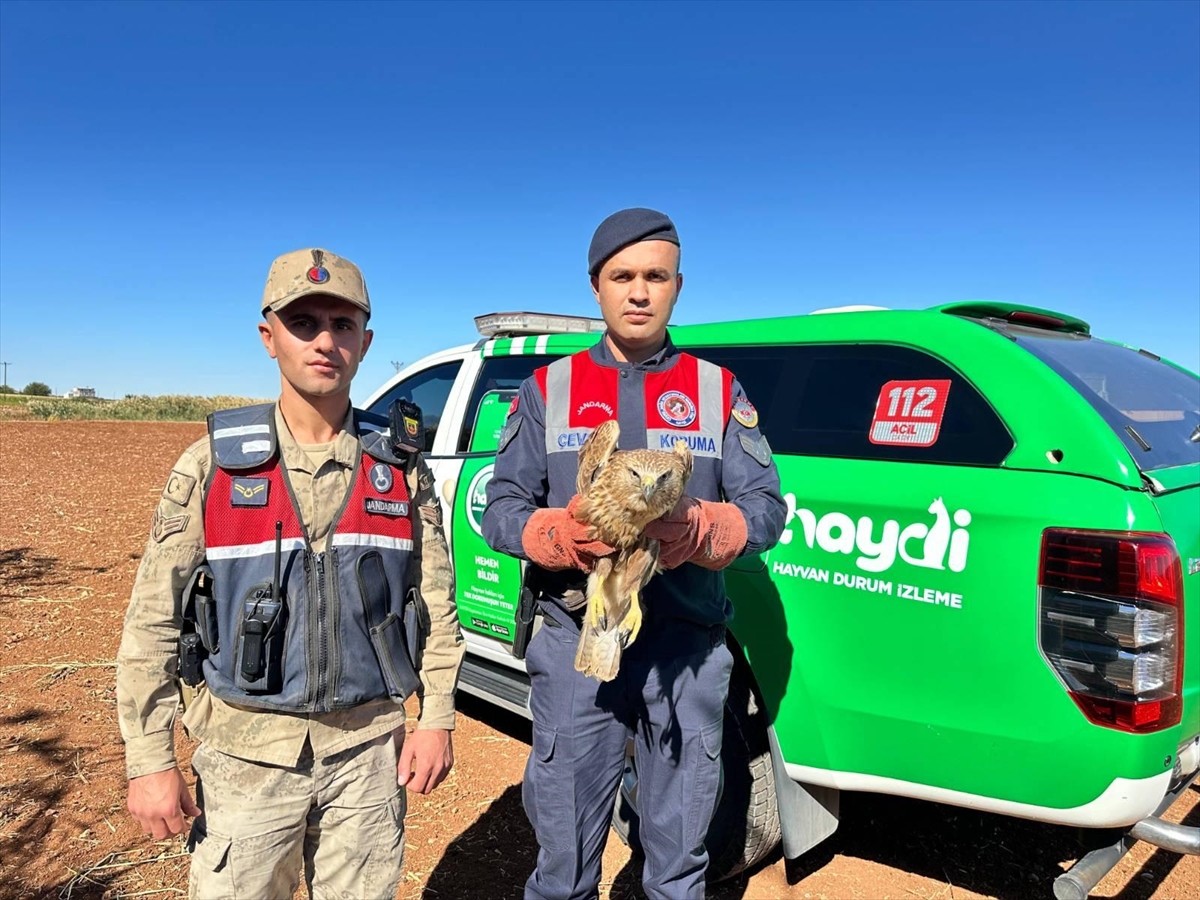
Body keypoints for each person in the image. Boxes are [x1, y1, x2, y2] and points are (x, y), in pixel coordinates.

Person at [116, 247, 464, 899]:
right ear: (268, 336)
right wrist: (150, 758)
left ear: (366, 340)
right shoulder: (211, 468)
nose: (324, 340)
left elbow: (438, 607)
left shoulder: (401, 468)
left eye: (342, 324)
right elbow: (152, 623)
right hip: (245, 757)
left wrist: (436, 717)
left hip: (369, 752)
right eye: (303, 323)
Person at [482, 209, 786, 899]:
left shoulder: (717, 390)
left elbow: (767, 510)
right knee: (562, 864)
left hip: (687, 646)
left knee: (679, 866)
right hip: (576, 643)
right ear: (597, 287)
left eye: (656, 276)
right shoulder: (547, 390)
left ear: (678, 285)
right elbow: (499, 508)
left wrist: (706, 529)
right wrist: (560, 536)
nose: (639, 292)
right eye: (623, 276)